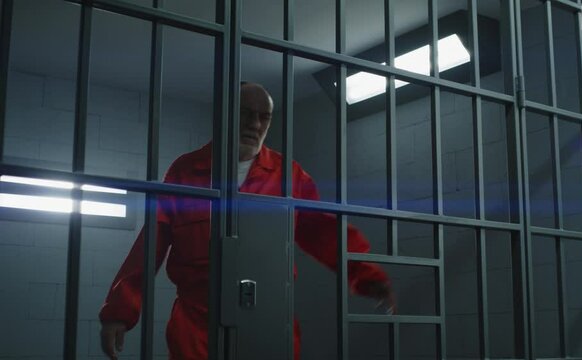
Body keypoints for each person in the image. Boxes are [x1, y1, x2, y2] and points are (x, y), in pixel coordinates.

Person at [99, 82, 396, 360]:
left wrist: (368, 275)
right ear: (225, 112)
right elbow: (151, 243)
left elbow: (324, 231)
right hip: (198, 319)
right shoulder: (186, 171)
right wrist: (118, 312)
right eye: (246, 114)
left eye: (263, 117)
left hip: (269, 316)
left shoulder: (287, 175)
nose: (255, 124)